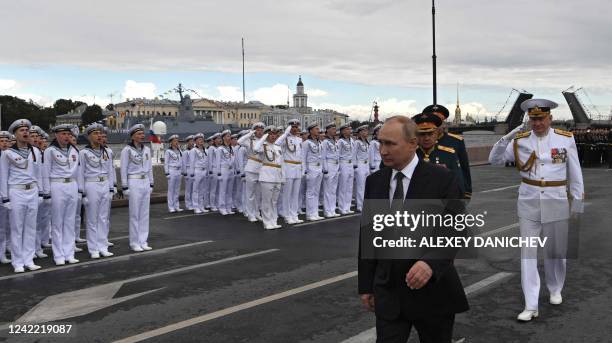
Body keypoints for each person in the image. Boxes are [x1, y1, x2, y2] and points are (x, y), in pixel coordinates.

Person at [358, 116, 469, 342]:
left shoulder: (441, 179)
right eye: (380, 143)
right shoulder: (375, 181)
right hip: (388, 292)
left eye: (390, 144)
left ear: (412, 143)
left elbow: (456, 230)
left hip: (432, 292)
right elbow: (368, 235)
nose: (383, 150)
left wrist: (430, 262)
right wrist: (366, 285)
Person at [489, 99, 584, 321]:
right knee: (528, 254)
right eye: (533, 119)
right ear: (528, 120)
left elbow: (575, 173)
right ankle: (531, 304)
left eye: (541, 118)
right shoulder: (520, 141)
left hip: (556, 199)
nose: (537, 123)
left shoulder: (565, 138)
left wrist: (577, 203)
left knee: (556, 252)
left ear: (550, 118)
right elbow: (494, 160)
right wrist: (507, 136)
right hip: (529, 202)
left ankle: (555, 288)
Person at [1, 120, 46, 272]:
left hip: (32, 191)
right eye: (21, 130)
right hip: (16, 191)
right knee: (17, 228)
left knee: (31, 227)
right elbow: (3, 177)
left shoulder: (36, 152)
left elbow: (39, 174)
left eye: (26, 130)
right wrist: (5, 198)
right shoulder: (8, 153)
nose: (25, 132)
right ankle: (18, 262)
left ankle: (28, 259)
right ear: (15, 134)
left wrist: (40, 192)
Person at [44, 124, 80, 265]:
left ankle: (69, 253)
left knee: (69, 221)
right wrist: (46, 193)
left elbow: (77, 171)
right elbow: (45, 172)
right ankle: (58, 255)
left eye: (68, 134)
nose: (66, 137)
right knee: (58, 222)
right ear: (56, 135)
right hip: (57, 185)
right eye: (63, 134)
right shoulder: (50, 151)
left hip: (71, 185)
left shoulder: (74, 150)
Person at [78, 123, 114, 259]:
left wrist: (111, 189)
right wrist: (82, 193)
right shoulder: (84, 153)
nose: (99, 136)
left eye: (100, 133)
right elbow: (80, 173)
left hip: (104, 184)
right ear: (89, 136)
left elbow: (110, 171)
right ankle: (93, 248)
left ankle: (102, 246)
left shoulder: (107, 151)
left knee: (103, 218)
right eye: (95, 134)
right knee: (92, 219)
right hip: (91, 185)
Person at [422, 105, 473, 200]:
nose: (437, 124)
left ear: (444, 123)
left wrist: (466, 192)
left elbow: (464, 168)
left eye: (439, 121)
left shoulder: (456, 141)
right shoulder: (418, 143)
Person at [413, 113, 466, 196]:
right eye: (422, 134)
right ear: (416, 136)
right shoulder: (411, 155)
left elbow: (458, 184)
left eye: (430, 134)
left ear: (436, 134)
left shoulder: (449, 154)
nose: (426, 138)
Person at [120, 124, 154, 252]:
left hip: (145, 181)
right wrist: (124, 187)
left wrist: (151, 183)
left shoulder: (147, 150)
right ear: (133, 136)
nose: (142, 136)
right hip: (133, 181)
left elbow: (150, 167)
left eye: (142, 133)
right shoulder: (127, 150)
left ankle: (143, 240)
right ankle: (134, 242)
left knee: (145, 213)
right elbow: (123, 169)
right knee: (135, 214)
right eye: (139, 134)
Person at [253, 126, 284, 230]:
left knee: (274, 201)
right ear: (267, 135)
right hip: (267, 176)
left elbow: (281, 163)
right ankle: (267, 222)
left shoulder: (278, 147)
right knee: (266, 201)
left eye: (275, 134)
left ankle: (273, 221)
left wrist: (283, 178)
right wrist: (263, 137)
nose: (273, 136)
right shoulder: (263, 146)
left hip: (277, 176)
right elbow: (255, 148)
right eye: (271, 134)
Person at [275, 119, 304, 224]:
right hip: (288, 167)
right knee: (287, 194)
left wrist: (302, 169)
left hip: (297, 168)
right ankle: (287, 215)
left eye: (296, 127)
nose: (295, 129)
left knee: (296, 194)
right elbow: (277, 144)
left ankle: (294, 214)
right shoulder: (284, 139)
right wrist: (286, 133)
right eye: (293, 127)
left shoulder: (299, 139)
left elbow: (301, 156)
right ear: (289, 128)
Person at [28, 126, 51, 259]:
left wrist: (44, 192)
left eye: (37, 136)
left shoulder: (40, 153)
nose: (35, 138)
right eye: (33, 136)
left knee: (40, 221)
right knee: (30, 223)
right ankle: (31, 249)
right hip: (30, 191)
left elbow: (44, 174)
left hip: (40, 191)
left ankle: (37, 246)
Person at [238, 123, 265, 222]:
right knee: (250, 193)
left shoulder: (264, 141)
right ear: (254, 131)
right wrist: (250, 134)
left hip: (261, 168)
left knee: (259, 194)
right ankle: (251, 214)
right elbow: (239, 141)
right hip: (251, 167)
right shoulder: (249, 141)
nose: (260, 132)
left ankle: (257, 212)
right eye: (257, 130)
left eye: (261, 130)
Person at [302, 123, 324, 221]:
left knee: (316, 192)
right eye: (316, 129)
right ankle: (310, 214)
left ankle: (315, 212)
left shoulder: (319, 142)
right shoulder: (307, 143)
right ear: (311, 131)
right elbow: (303, 158)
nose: (318, 130)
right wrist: (305, 170)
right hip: (311, 168)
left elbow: (321, 157)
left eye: (318, 128)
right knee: (310, 192)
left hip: (319, 168)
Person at [214, 130, 236, 215]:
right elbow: (218, 162)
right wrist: (219, 173)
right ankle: (222, 207)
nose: (229, 137)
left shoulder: (231, 148)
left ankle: (228, 207)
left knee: (229, 190)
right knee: (223, 190)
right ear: (223, 138)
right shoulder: (220, 149)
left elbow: (233, 160)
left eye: (229, 136)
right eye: (227, 136)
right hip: (223, 170)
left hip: (230, 170)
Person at [321, 122, 340, 218]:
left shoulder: (335, 141)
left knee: (333, 189)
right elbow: (323, 156)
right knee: (328, 190)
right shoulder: (325, 142)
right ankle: (327, 211)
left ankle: (332, 209)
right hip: (329, 165)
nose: (334, 131)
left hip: (336, 166)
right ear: (328, 130)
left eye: (335, 129)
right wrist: (325, 169)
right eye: (332, 129)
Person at [337, 123, 355, 215]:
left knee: (349, 187)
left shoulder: (352, 140)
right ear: (343, 131)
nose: (350, 131)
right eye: (347, 129)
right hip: (343, 164)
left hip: (350, 164)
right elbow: (338, 155)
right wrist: (338, 168)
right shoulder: (340, 141)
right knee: (343, 187)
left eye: (350, 129)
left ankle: (347, 207)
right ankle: (341, 207)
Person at [190, 133, 209, 214]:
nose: (201, 141)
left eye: (202, 139)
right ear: (196, 141)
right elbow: (192, 162)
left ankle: (201, 206)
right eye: (199, 139)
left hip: (204, 171)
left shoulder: (205, 150)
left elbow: (206, 162)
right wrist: (192, 173)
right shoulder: (193, 151)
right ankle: (195, 206)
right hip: (197, 171)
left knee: (202, 190)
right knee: (195, 190)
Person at [0, 131, 12, 264]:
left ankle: (2, 253)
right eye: (1, 141)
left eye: (6, 141)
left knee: (3, 227)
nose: (4, 143)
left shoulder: (11, 157)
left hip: (6, 195)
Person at [164, 134, 184, 213]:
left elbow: (182, 162)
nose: (176, 142)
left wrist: (182, 171)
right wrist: (167, 173)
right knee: (171, 190)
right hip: (172, 171)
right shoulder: (168, 151)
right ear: (171, 142)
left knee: (177, 190)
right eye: (175, 141)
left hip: (179, 171)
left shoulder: (180, 151)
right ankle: (171, 206)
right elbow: (166, 163)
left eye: (177, 141)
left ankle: (176, 206)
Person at [353, 125, 370, 212]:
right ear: (360, 133)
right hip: (360, 165)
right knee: (360, 186)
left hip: (366, 165)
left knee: (367, 186)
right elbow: (354, 154)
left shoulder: (367, 142)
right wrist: (355, 166)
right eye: (364, 131)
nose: (366, 132)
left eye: (366, 131)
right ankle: (360, 205)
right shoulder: (357, 142)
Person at [183, 135, 195, 210]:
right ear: (187, 142)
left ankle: (193, 203)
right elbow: (184, 163)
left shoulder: (195, 151)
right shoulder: (185, 152)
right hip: (188, 171)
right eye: (190, 141)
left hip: (194, 171)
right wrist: (185, 173)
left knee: (194, 189)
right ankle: (188, 204)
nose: (192, 143)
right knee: (188, 189)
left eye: (193, 141)